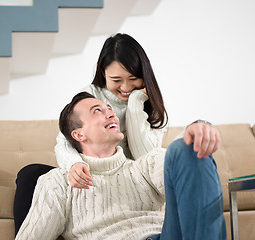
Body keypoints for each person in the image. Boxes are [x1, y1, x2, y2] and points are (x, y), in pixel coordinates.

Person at [13, 33, 221, 234]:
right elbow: (67, 138)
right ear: (103, 73)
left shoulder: (149, 104)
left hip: (133, 177)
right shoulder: (91, 95)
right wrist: (75, 164)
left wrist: (135, 105)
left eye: (133, 79)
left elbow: (148, 157)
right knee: (32, 174)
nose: (126, 87)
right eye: (117, 80)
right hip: (92, 171)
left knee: (179, 157)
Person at [15, 92, 226, 240]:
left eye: (109, 109)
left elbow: (181, 166)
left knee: (184, 149)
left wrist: (197, 129)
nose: (111, 113)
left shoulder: (143, 167)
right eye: (97, 111)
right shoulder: (57, 182)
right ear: (79, 134)